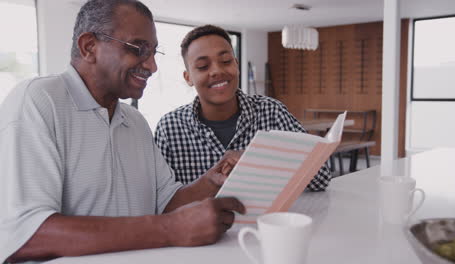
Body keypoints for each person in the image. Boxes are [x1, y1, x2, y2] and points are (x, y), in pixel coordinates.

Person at [0, 1, 245, 263]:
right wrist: (170, 228)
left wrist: (212, 180)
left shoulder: (135, 122)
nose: (152, 66)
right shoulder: (38, 102)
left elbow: (166, 203)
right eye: (139, 49)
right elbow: (28, 235)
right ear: (89, 47)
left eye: (153, 53)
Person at [155, 25, 331, 190]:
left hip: (263, 222)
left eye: (225, 61)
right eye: (203, 66)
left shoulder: (271, 112)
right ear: (188, 78)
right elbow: (160, 201)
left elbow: (321, 177)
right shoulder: (170, 128)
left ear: (236, 65)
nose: (217, 71)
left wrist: (257, 159)